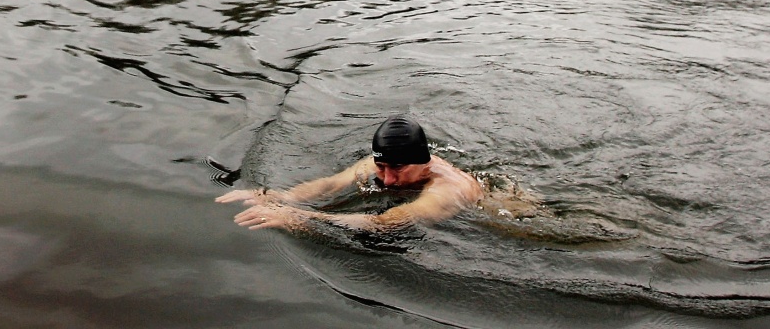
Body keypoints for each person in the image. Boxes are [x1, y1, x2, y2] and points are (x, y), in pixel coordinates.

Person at [216, 116, 533, 232]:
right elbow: (330, 184)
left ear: (424, 162)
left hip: (503, 210)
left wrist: (300, 218)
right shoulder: (383, 164)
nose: (387, 179)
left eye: (397, 168)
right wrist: (276, 196)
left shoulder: (444, 191)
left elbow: (385, 224)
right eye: (381, 167)